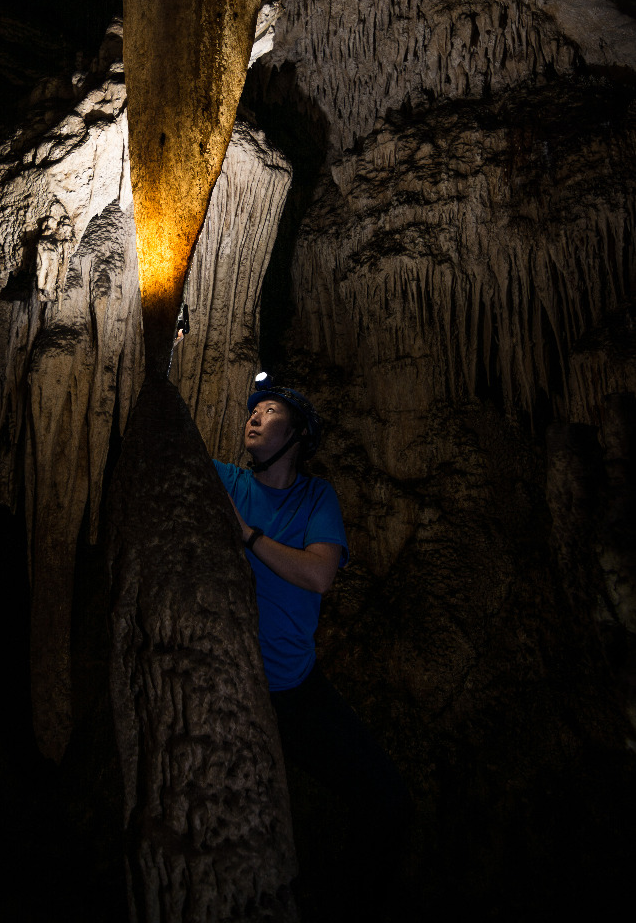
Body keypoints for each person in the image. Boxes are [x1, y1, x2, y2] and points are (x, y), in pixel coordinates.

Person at [213, 379, 412, 906]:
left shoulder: (316, 497)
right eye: (252, 411)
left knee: (386, 796)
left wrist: (248, 536)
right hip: (231, 683)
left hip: (293, 688)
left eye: (268, 410)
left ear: (297, 434)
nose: (253, 417)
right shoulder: (228, 480)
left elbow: (320, 574)